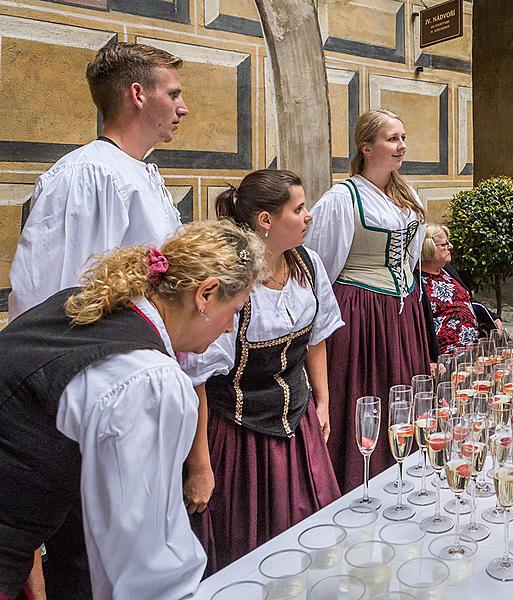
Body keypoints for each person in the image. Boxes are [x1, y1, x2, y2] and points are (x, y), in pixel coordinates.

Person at [0, 220, 266, 600]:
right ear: (205, 294)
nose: (229, 330)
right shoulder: (149, 378)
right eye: (235, 310)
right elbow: (143, 565)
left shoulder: (79, 303)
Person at [178, 170, 343, 574]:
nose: (308, 217)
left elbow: (316, 338)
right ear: (265, 220)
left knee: (312, 537)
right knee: (249, 544)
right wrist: (200, 464)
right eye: (299, 209)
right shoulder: (234, 281)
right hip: (240, 434)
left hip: (299, 424)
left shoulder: (307, 264)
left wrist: (322, 401)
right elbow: (197, 376)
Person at [8, 42, 188, 320]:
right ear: (138, 95)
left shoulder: (136, 172)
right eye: (173, 94)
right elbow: (57, 298)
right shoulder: (89, 175)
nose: (183, 108)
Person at [305, 109, 430, 493]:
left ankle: (406, 470)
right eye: (392, 139)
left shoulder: (406, 196)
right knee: (366, 393)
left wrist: (408, 300)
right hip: (361, 315)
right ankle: (361, 480)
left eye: (403, 137)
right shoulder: (342, 200)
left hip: (402, 313)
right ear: (367, 147)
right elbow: (319, 269)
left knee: (403, 390)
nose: (402, 146)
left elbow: (410, 262)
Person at [420, 224, 502, 354]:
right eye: (444, 245)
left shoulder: (447, 271)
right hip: (446, 356)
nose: (450, 247)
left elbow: (467, 300)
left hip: (476, 348)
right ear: (428, 248)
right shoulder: (417, 281)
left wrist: (494, 317)